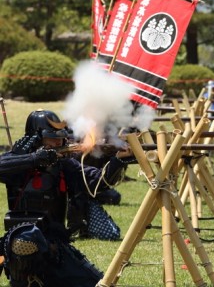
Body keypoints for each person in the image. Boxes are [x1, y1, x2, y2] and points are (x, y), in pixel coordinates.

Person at [0, 109, 132, 287]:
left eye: (60, 137)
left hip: (55, 244)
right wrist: (34, 159)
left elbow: (96, 182)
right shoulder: (19, 160)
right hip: (23, 241)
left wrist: (119, 160)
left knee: (97, 283)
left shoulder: (64, 164)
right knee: (26, 239)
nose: (58, 142)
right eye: (51, 137)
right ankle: (23, 282)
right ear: (36, 138)